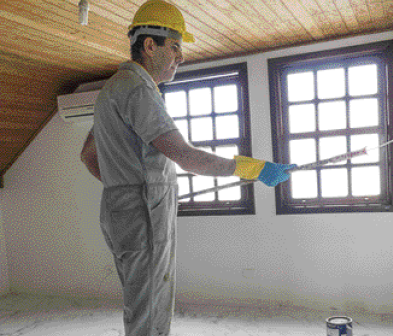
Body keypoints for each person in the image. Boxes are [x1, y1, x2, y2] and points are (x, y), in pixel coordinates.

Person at [80, 1, 295, 335]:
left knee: (140, 304)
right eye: (176, 46)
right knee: (150, 313)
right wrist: (254, 169)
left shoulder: (111, 89)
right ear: (149, 46)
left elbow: (87, 155)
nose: (181, 56)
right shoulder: (139, 89)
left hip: (119, 212)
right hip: (143, 217)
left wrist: (123, 186)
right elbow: (185, 156)